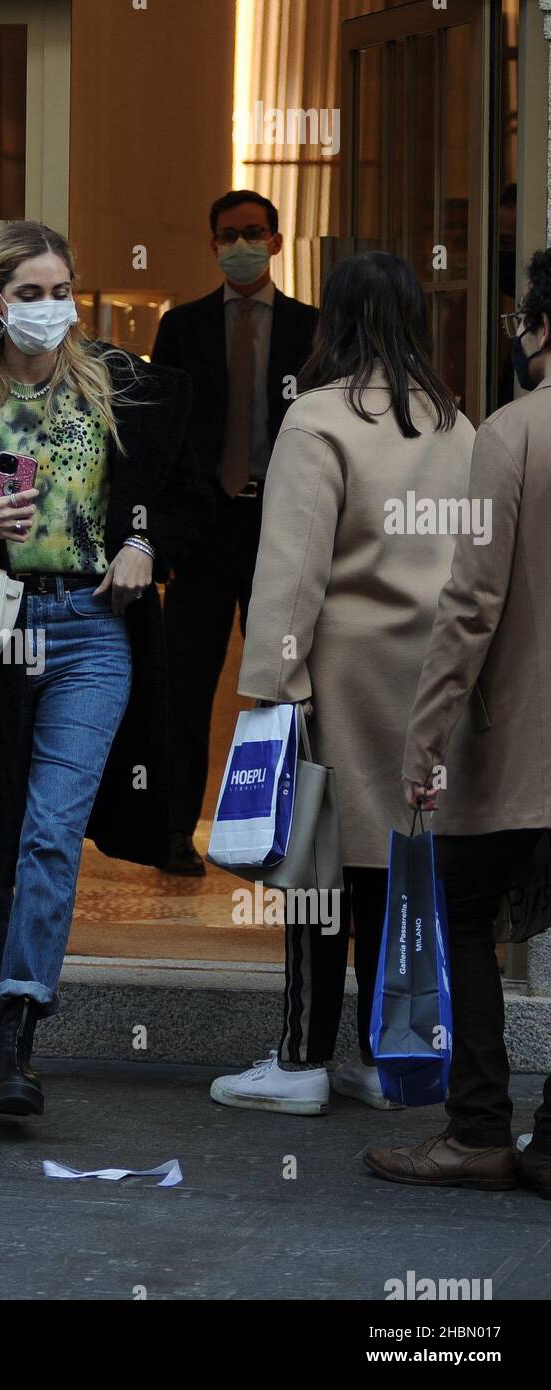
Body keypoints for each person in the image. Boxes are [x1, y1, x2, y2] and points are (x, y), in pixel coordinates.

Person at [0, 220, 211, 1117]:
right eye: (29, 294)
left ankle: (18, 1020)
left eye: (60, 290)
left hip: (89, 630)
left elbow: (185, 504)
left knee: (49, 832)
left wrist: (144, 547)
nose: (49, 309)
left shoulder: (134, 392)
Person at [208, 251, 475, 1116]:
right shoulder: (458, 426)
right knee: (390, 872)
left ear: (335, 319)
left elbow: (291, 569)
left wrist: (272, 682)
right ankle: (375, 1055)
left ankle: (299, 1060)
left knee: (316, 869)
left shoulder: (317, 418)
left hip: (340, 672)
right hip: (431, 676)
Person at [365, 250, 551, 1197]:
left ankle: (479, 1127)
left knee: (468, 916)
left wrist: (425, 735)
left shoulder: (514, 432)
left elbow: (472, 602)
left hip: (521, 746)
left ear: (541, 327)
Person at [151, 190, 318, 875]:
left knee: (282, 686)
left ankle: (280, 835)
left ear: (277, 242)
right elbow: (159, 431)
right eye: (227, 234)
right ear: (212, 244)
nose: (239, 244)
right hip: (203, 528)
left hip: (280, 527)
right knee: (183, 688)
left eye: (253, 233)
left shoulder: (313, 327)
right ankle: (171, 835)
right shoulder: (182, 326)